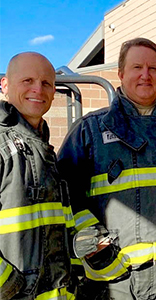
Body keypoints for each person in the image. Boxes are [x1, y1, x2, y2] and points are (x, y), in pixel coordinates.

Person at [57, 38, 156, 299]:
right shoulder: (90, 130)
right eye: (137, 67)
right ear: (120, 73)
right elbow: (66, 197)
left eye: (153, 69)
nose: (145, 75)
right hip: (113, 283)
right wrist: (99, 252)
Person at [0, 52, 76, 300]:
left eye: (46, 83)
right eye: (27, 80)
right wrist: (7, 286)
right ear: (5, 85)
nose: (38, 89)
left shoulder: (43, 149)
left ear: (54, 91)